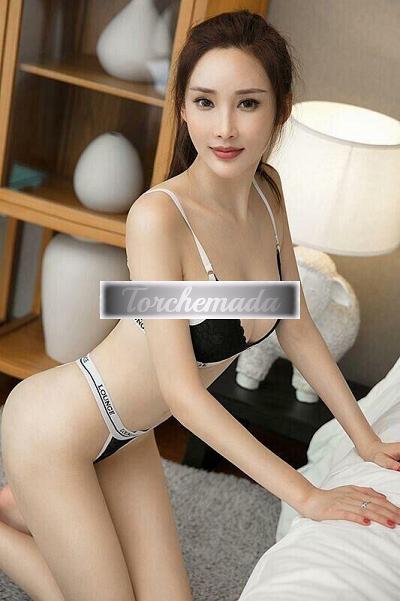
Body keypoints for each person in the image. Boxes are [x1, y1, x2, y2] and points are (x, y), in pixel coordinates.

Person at [1, 9, 400, 601]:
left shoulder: (268, 193)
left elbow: (296, 325)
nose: (225, 128)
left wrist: (363, 439)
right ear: (183, 109)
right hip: (55, 430)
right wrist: (307, 496)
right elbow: (183, 393)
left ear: (280, 111)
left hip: (131, 435)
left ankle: (33, 508)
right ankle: (23, 507)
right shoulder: (159, 218)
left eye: (248, 103)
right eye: (205, 102)